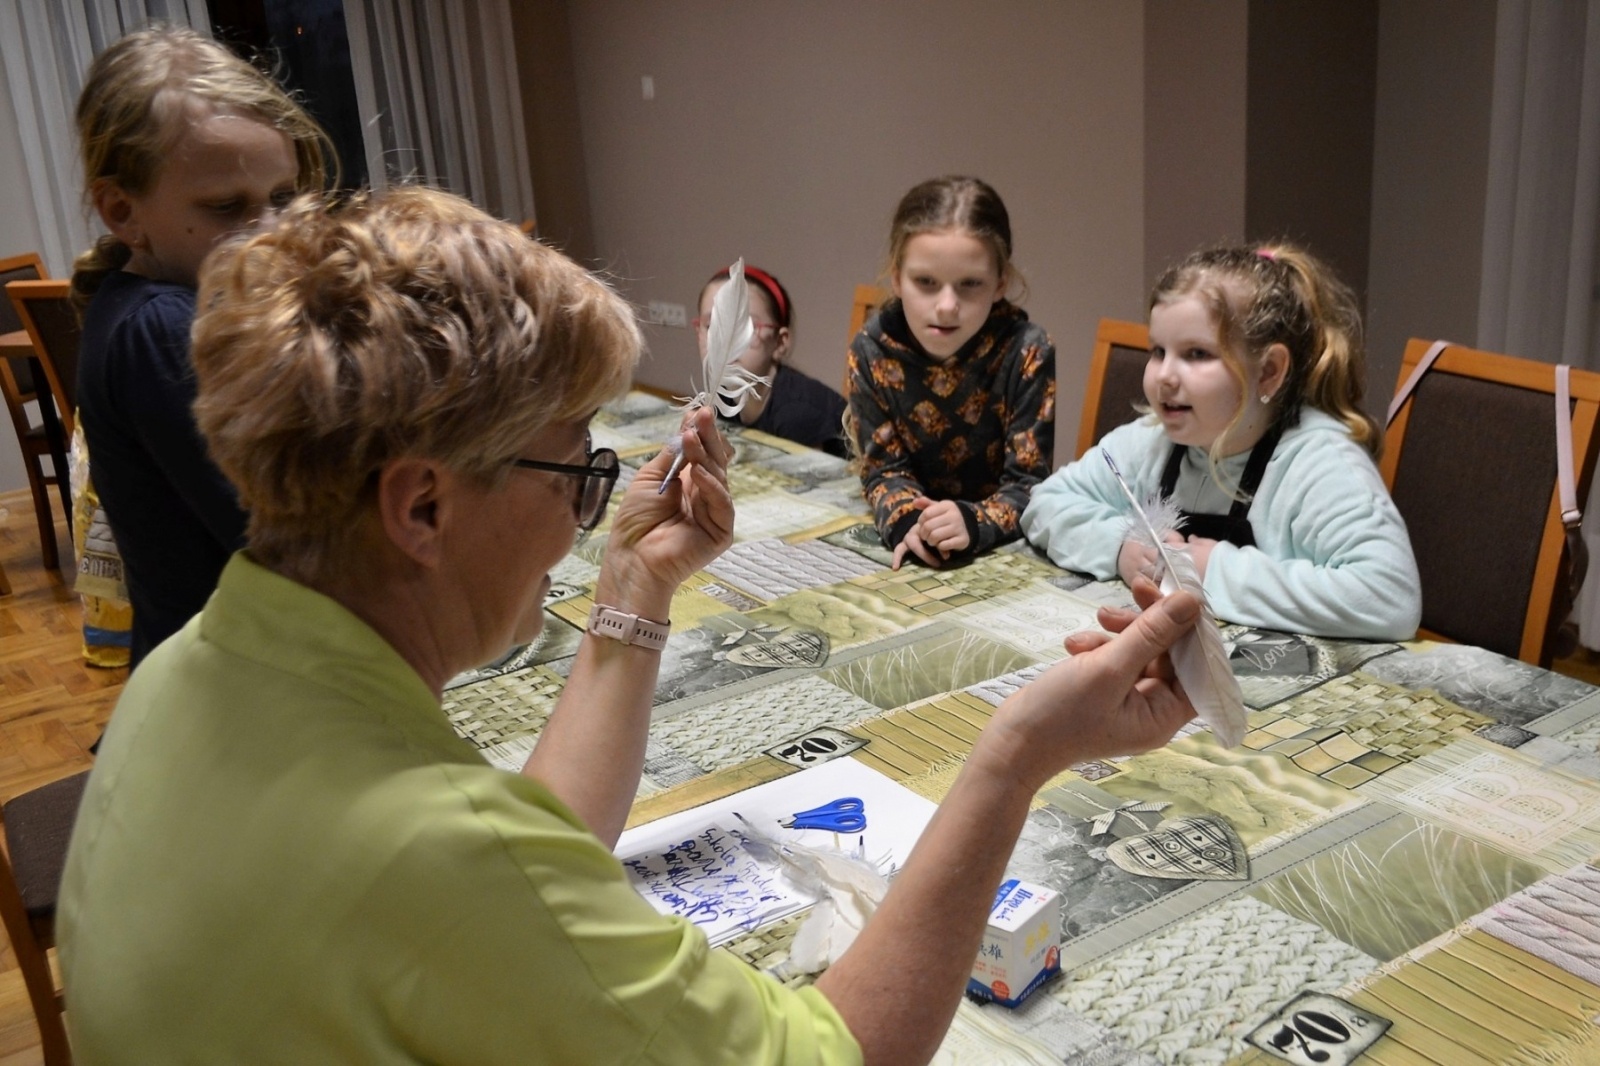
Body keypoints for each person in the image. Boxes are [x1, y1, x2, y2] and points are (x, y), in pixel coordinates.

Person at [59, 186, 1200, 1065]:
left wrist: (636, 586)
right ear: (421, 505)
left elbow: (537, 841)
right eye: (572, 465)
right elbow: (835, 1052)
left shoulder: (185, 670)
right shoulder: (429, 850)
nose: (582, 503)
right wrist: (1012, 757)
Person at [71, 25, 331, 666]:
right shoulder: (161, 330)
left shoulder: (186, 311)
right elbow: (292, 548)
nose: (271, 232)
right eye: (226, 207)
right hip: (236, 687)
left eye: (282, 197)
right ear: (123, 213)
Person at [1022, 242, 1421, 641]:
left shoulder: (1320, 463)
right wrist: (1119, 545)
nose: (1164, 376)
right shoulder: (1149, 442)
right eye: (1159, 351)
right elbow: (1044, 504)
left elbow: (1389, 596)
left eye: (1196, 354)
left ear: (1268, 371)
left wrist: (1214, 572)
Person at [846, 176, 1056, 571]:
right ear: (896, 278)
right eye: (926, 282)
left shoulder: (1027, 351)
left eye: (970, 284)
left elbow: (1029, 484)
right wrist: (907, 520)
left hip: (993, 551)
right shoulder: (871, 349)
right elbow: (882, 470)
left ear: (1000, 284)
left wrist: (972, 521)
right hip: (914, 547)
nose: (946, 306)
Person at [697, 264, 848, 457]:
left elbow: (805, 480)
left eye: (744, 327)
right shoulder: (722, 393)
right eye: (711, 325)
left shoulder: (797, 413)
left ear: (779, 343)